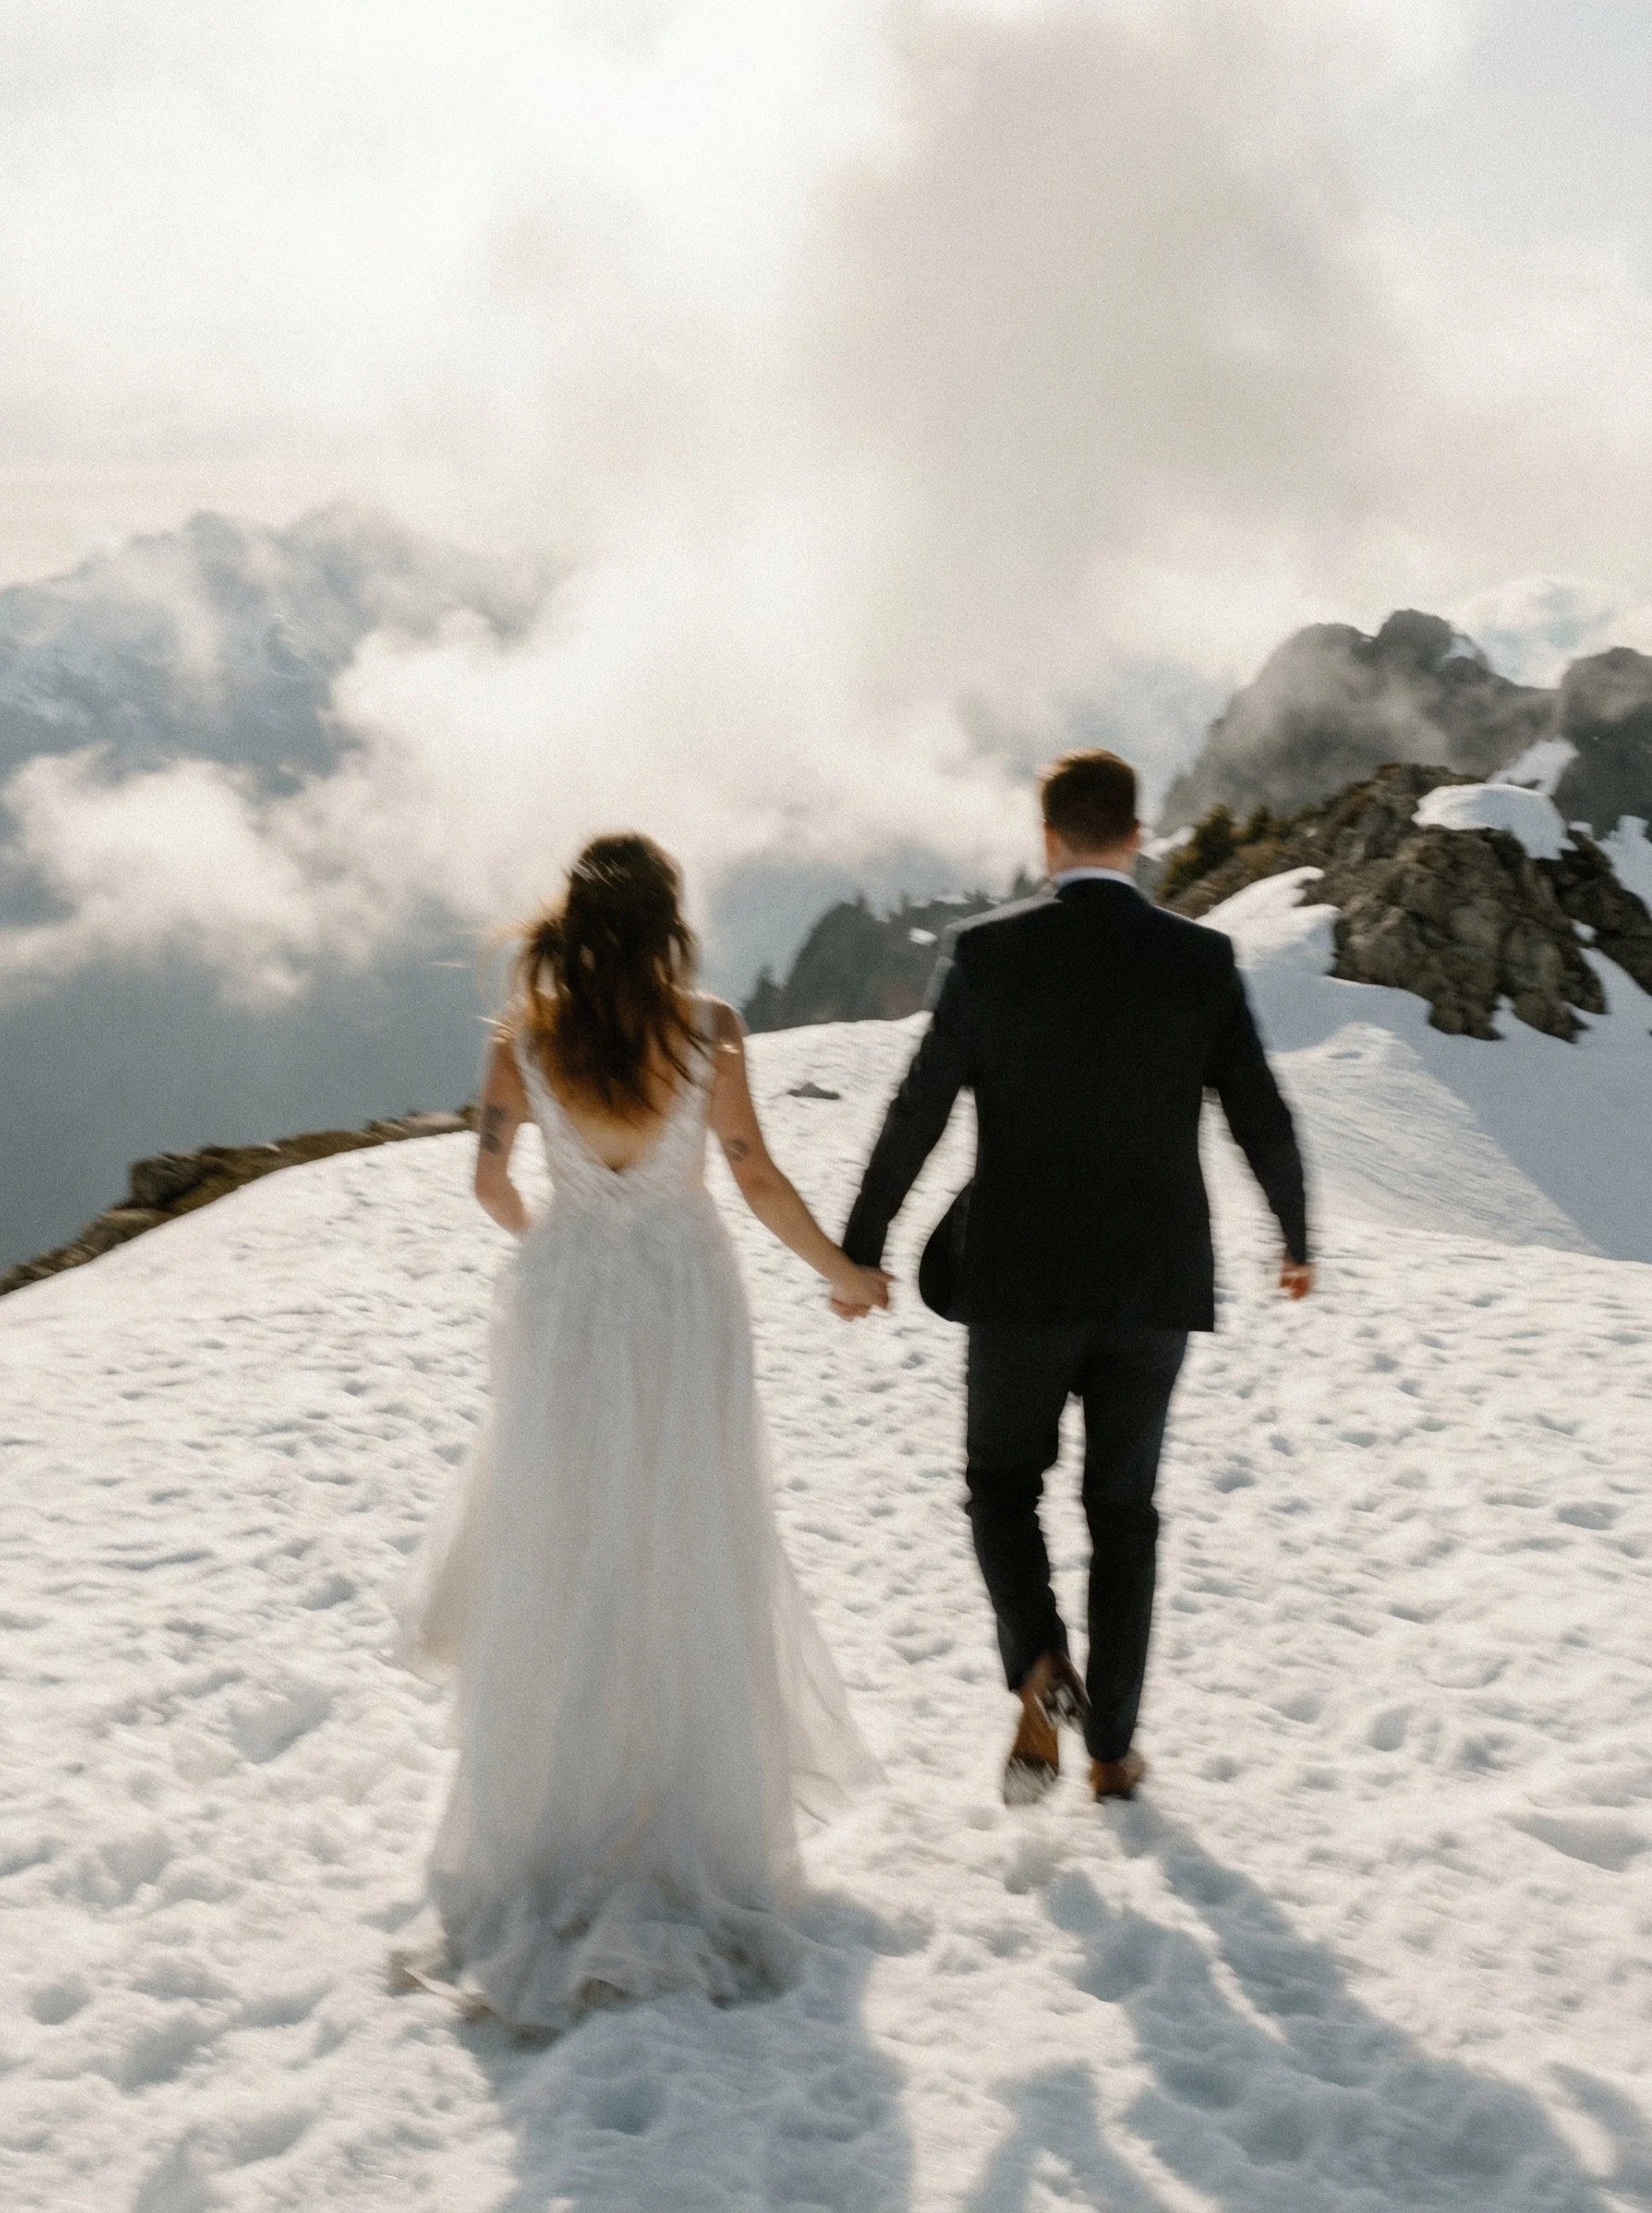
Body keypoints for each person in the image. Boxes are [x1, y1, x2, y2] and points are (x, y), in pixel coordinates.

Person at [394, 832, 886, 2032]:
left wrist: (559, 1243)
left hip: (571, 1302)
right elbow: (753, 1173)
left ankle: (555, 1812)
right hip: (682, 1294)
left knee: (562, 1543)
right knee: (688, 1533)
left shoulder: (523, 1040)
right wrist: (844, 1272)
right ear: (669, 920)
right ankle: (683, 1808)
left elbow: (490, 1184)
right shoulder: (709, 1029)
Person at [837, 751, 1312, 1806]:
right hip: (1153, 1284)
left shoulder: (987, 957)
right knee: (1124, 1515)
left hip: (1015, 1280)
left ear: (1046, 840)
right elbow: (1257, 1108)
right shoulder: (1200, 958)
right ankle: (1112, 1754)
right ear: (1135, 838)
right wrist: (1294, 1232)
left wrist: (862, 1245)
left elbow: (916, 1110)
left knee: (1001, 1490)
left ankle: (1043, 1664)